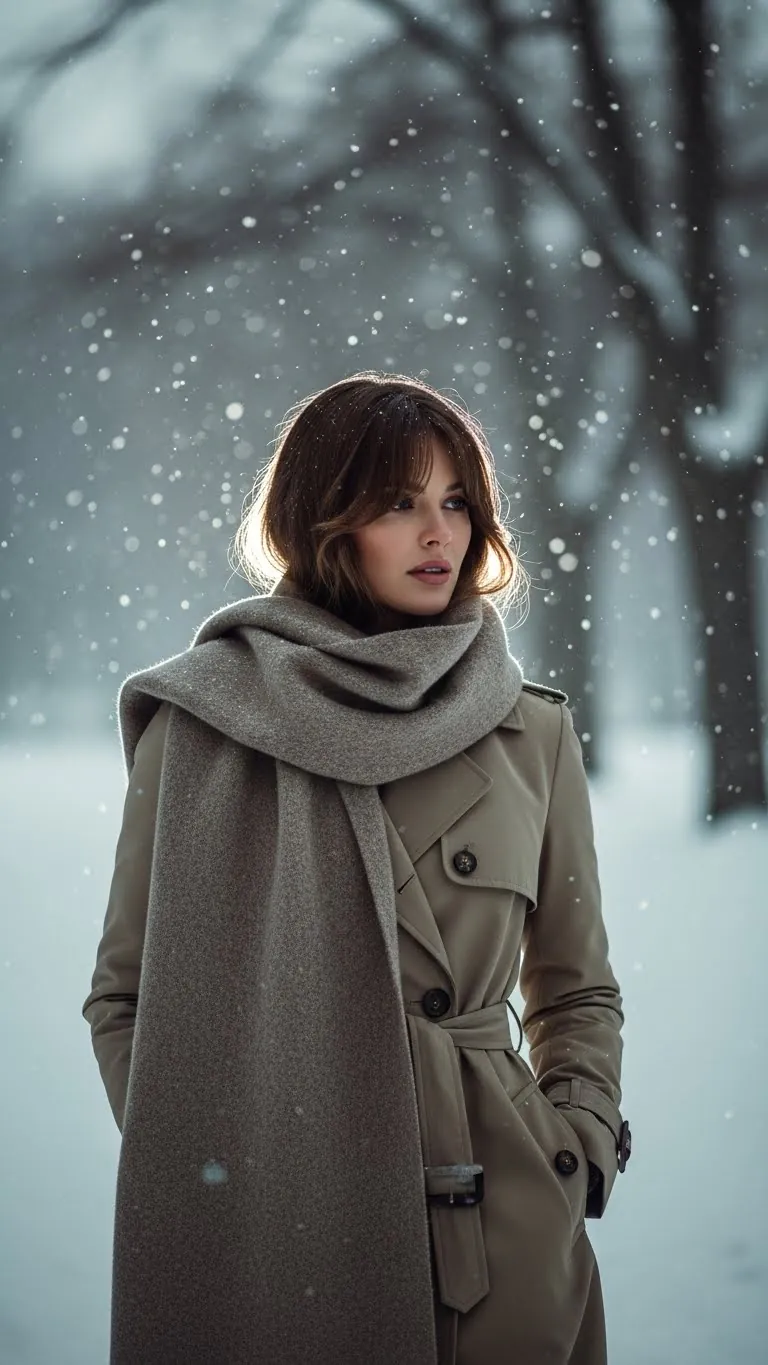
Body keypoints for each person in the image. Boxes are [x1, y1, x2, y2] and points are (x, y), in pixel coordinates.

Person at [82, 370, 631, 1365]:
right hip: (272, 1242)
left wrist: (575, 1142)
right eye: (398, 503)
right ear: (326, 523)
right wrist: (222, 1168)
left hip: (504, 1227)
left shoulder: (529, 729)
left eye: (456, 501)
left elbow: (577, 984)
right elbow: (127, 999)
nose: (440, 533)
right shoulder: (205, 725)